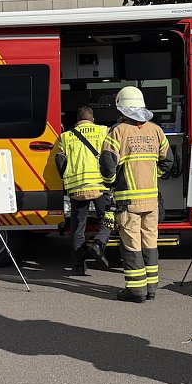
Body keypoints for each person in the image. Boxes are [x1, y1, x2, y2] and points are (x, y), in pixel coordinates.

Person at [100, 86, 173, 302]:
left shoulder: (118, 131)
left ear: (121, 109)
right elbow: (168, 161)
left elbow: (107, 166)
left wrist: (111, 184)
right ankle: (151, 289)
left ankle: (135, 291)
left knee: (132, 244)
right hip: (152, 200)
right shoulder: (156, 131)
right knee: (150, 242)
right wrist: (153, 175)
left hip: (128, 201)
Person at [55, 106, 113, 276]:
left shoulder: (66, 137)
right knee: (107, 219)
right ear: (92, 119)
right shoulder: (104, 131)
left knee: (78, 228)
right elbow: (110, 157)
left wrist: (66, 180)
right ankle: (98, 244)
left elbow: (60, 161)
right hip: (99, 185)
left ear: (77, 121)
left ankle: (79, 266)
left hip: (77, 187)